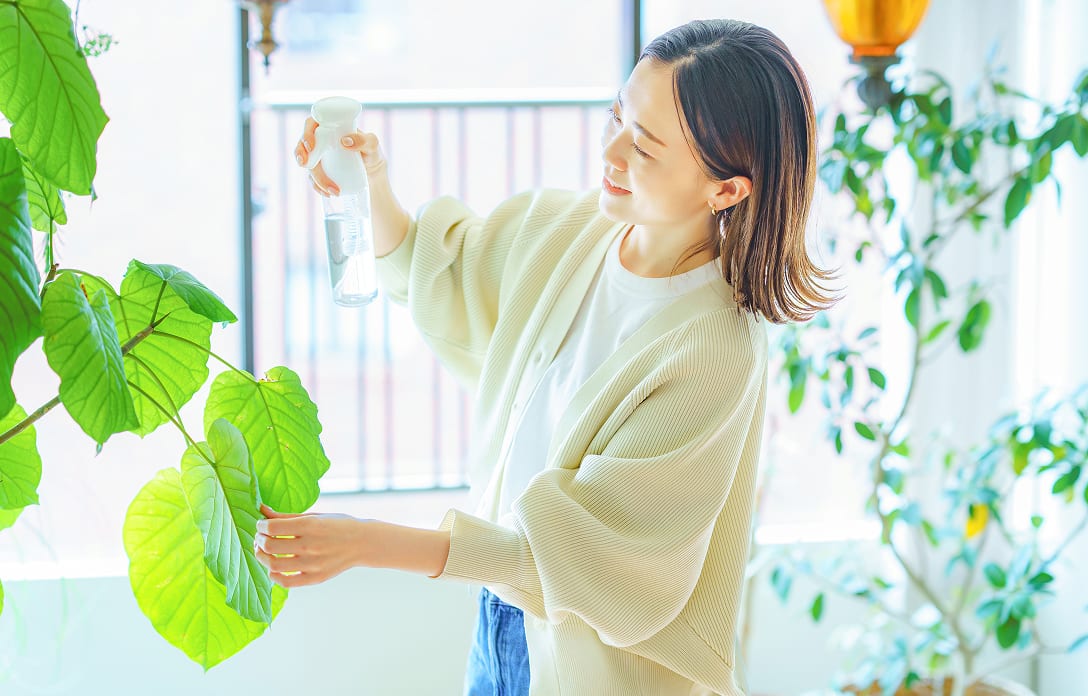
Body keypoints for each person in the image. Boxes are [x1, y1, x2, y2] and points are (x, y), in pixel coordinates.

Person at [254, 18, 834, 696]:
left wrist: (366, 543)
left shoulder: (714, 352)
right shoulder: (570, 230)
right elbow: (437, 273)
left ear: (726, 189)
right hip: (501, 625)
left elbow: (583, 558)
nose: (611, 152)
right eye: (617, 117)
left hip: (608, 676)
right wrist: (368, 184)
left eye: (644, 147)